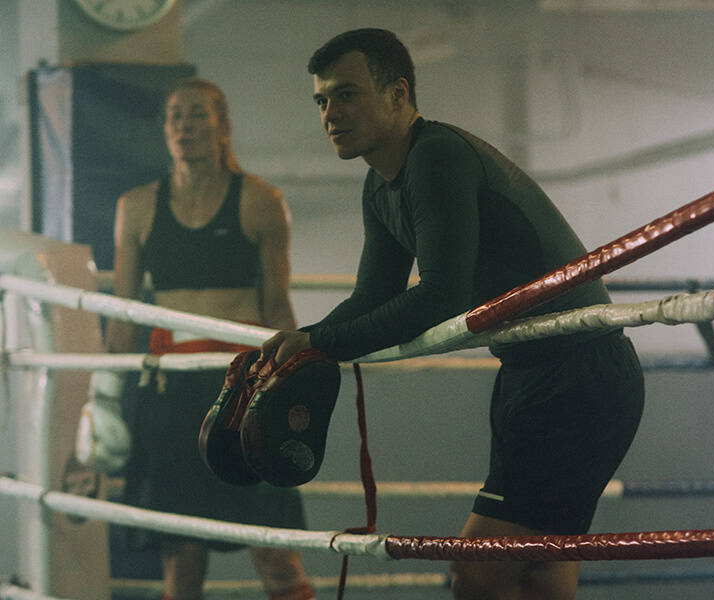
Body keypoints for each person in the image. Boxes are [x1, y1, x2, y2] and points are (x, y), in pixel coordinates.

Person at [260, 29, 646, 600]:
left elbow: (442, 296)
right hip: (529, 375)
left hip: (578, 375)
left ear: (398, 94)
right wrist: (308, 339)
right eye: (321, 100)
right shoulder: (380, 183)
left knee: (479, 570)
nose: (330, 112)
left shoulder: (436, 156)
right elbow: (375, 296)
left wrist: (320, 346)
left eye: (345, 93)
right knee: (541, 571)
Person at [100, 77, 315, 600]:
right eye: (174, 116)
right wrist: (102, 396)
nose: (183, 126)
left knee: (277, 557)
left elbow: (277, 308)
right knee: (182, 568)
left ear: (222, 126)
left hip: (243, 388)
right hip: (172, 396)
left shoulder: (261, 201)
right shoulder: (138, 207)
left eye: (197, 114)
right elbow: (121, 313)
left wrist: (289, 388)